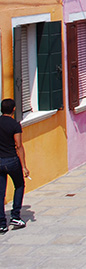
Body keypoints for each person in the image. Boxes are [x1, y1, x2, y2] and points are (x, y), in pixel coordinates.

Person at [0, 99, 28, 232]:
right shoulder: (15, 125)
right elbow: (18, 145)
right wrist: (24, 166)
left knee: (0, 191)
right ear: (13, 109)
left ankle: (1, 222)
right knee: (19, 185)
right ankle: (15, 216)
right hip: (11, 160)